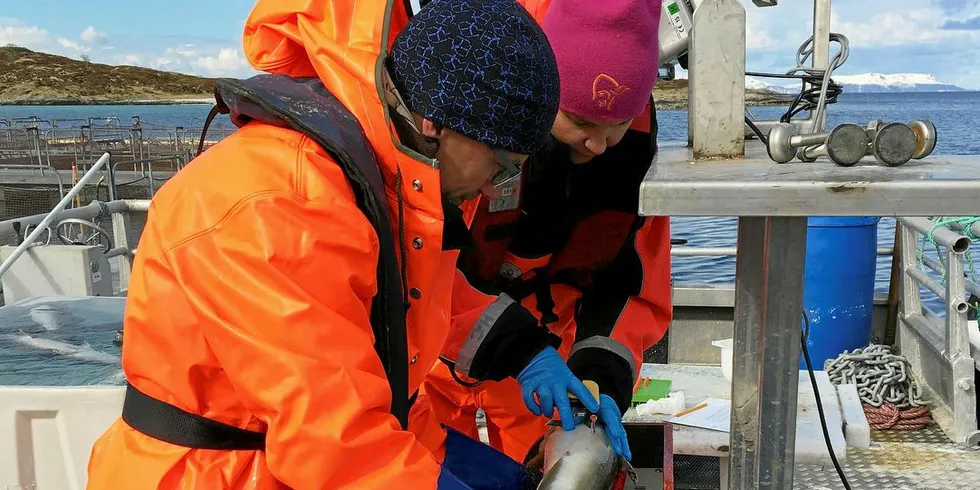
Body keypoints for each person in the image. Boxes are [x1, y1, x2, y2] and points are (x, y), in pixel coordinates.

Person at [84, 0, 561, 489]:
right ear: (435, 123)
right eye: (500, 167)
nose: (491, 189)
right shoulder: (275, 205)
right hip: (216, 474)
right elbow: (332, 438)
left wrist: (524, 350)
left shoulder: (383, 178)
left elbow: (406, 298)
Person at [415, 0, 672, 464]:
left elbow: (634, 288)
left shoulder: (636, 164)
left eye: (616, 128)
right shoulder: (472, 137)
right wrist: (515, 348)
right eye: (580, 123)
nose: (598, 145)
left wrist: (601, 373)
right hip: (436, 353)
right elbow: (421, 261)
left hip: (551, 368)